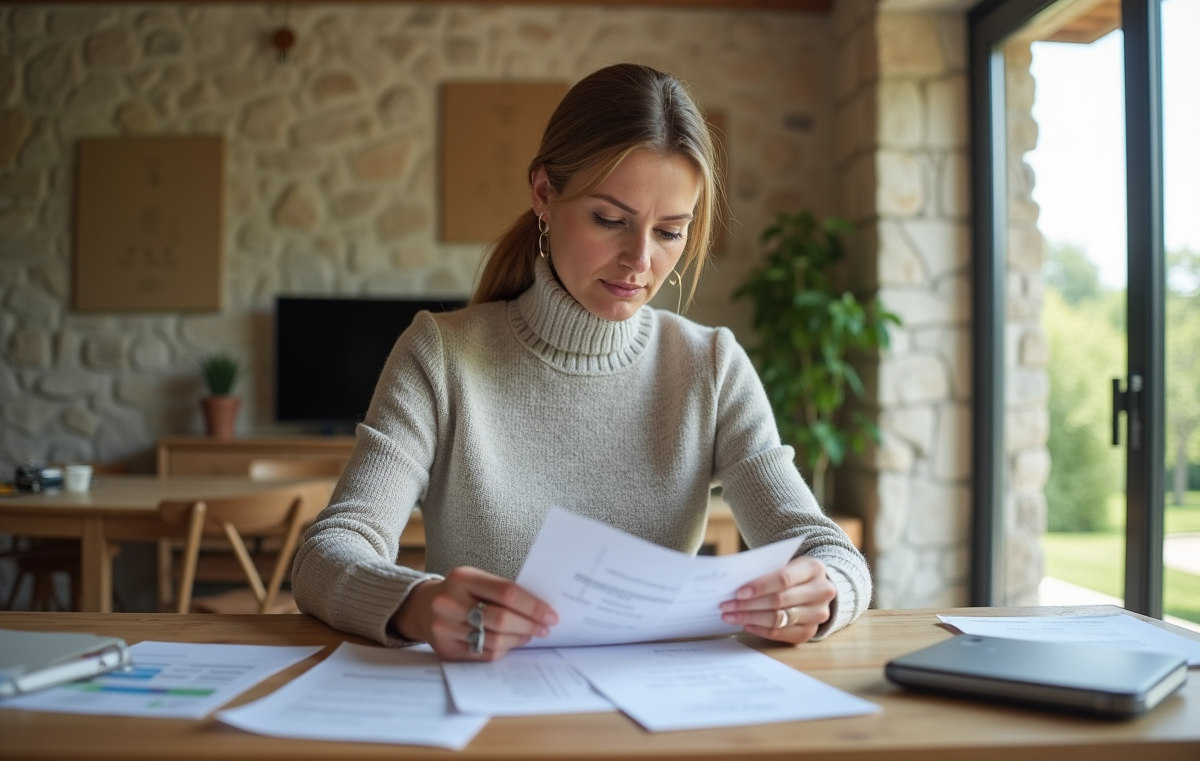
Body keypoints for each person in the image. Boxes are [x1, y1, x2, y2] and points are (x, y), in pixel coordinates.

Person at [292, 63, 871, 661]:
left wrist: (825, 591)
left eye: (671, 232)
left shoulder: (710, 365)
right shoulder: (441, 355)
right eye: (609, 220)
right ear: (544, 194)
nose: (639, 261)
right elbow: (327, 552)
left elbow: (824, 548)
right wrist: (415, 605)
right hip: (486, 711)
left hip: (655, 717)